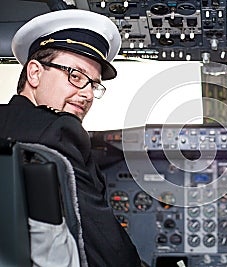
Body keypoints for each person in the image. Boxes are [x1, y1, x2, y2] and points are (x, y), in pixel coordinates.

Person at [0, 9, 142, 266]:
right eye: (75, 76)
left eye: (93, 84)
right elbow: (107, 251)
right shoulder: (60, 132)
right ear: (34, 73)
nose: (87, 94)